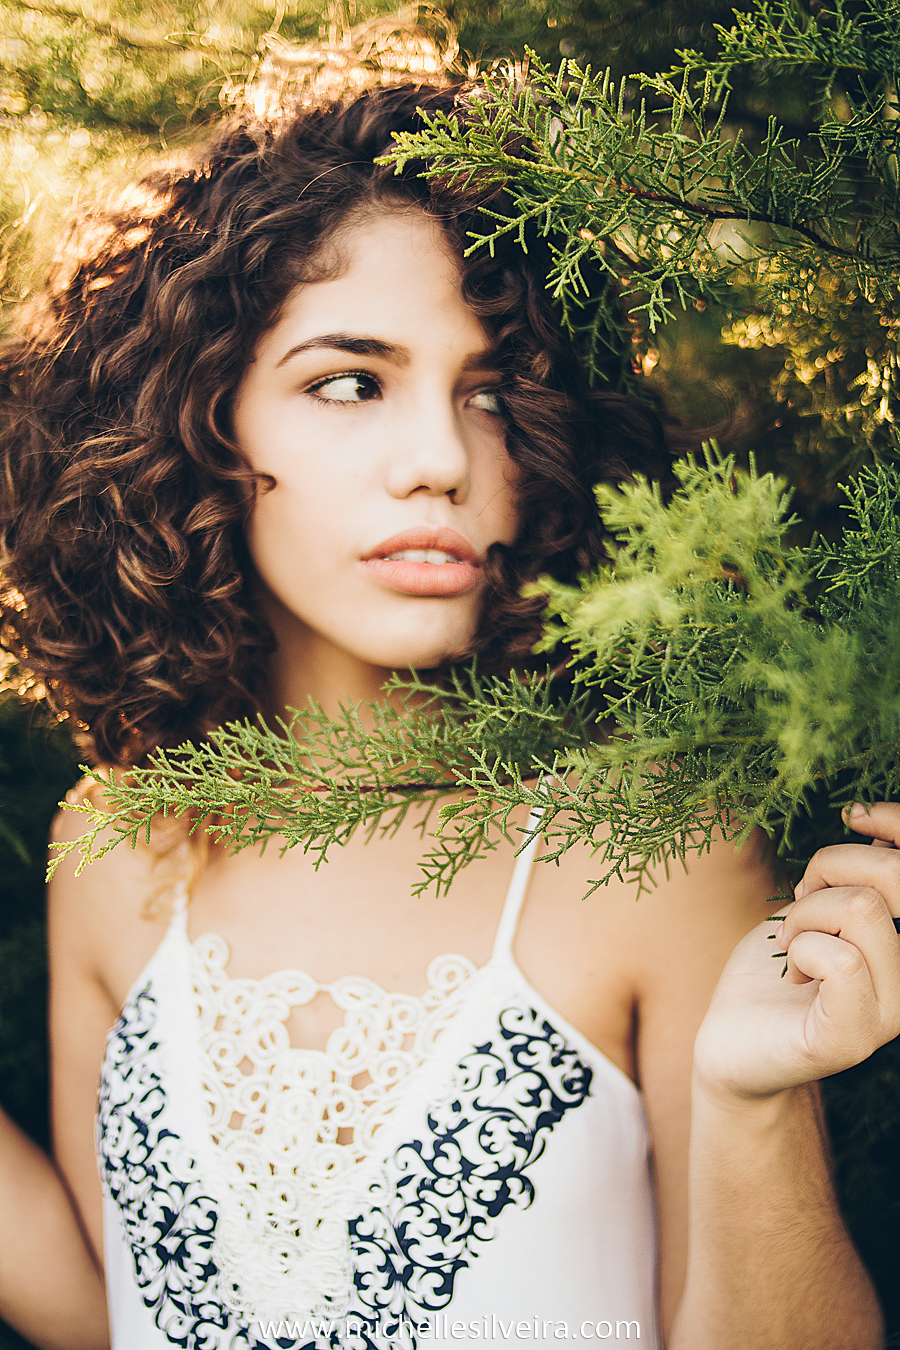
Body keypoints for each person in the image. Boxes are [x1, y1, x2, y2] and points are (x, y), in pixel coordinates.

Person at [0, 79, 898, 1350]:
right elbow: (126, 1318)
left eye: (489, 392)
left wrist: (755, 1106)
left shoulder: (650, 849)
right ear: (197, 422)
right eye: (352, 383)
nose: (441, 456)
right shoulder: (118, 843)